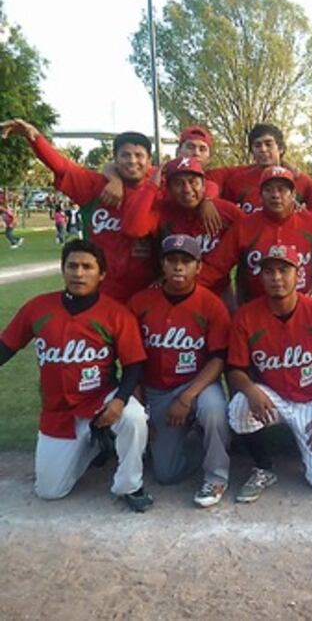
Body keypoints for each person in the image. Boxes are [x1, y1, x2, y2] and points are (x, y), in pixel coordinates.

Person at [0, 240, 152, 510]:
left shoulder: (116, 313)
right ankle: (96, 446)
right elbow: (6, 347)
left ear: (101, 274)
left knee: (134, 417)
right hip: (58, 412)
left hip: (100, 400)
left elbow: (134, 365)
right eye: (72, 266)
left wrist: (119, 401)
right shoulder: (38, 308)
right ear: (63, 270)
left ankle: (129, 484)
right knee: (49, 491)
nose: (78, 273)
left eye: (87, 267)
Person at [226, 244, 312, 502]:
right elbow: (234, 370)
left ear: (299, 275)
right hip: (272, 398)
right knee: (240, 407)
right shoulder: (246, 316)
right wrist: (251, 389)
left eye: (284, 270)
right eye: (269, 271)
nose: (276, 278)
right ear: (260, 277)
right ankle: (264, 467)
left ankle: (306, 452)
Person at [1, 118, 158, 302]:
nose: (132, 161)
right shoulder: (95, 185)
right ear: (115, 160)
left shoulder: (159, 190)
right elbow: (61, 167)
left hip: (148, 294)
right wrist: (33, 137)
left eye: (139, 155)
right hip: (100, 293)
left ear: (149, 162)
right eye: (125, 155)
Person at [128, 235, 232, 507]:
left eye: (186, 261)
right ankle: (198, 437)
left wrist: (187, 397)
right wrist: (142, 411)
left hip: (198, 384)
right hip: (156, 390)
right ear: (161, 264)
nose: (178, 267)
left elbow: (218, 358)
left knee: (214, 410)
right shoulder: (140, 303)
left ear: (198, 267)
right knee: (166, 474)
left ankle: (217, 476)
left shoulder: (211, 304)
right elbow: (131, 362)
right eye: (171, 260)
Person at [199, 166, 312, 302]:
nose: (275, 195)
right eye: (269, 190)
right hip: (254, 306)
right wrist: (184, 290)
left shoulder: (311, 221)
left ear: (293, 195)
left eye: (282, 190)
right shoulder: (244, 226)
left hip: (303, 305)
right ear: (260, 195)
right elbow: (215, 267)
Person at [121, 156, 244, 304]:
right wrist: (152, 185)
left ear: (204, 185)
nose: (187, 189)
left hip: (218, 291)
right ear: (168, 188)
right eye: (178, 183)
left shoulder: (225, 211)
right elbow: (133, 229)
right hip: (174, 292)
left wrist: (208, 199)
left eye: (193, 182)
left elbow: (251, 234)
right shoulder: (162, 211)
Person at [206, 123, 312, 213]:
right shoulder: (237, 181)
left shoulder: (302, 181)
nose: (263, 149)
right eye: (257, 145)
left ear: (280, 148)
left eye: (268, 144)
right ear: (252, 151)